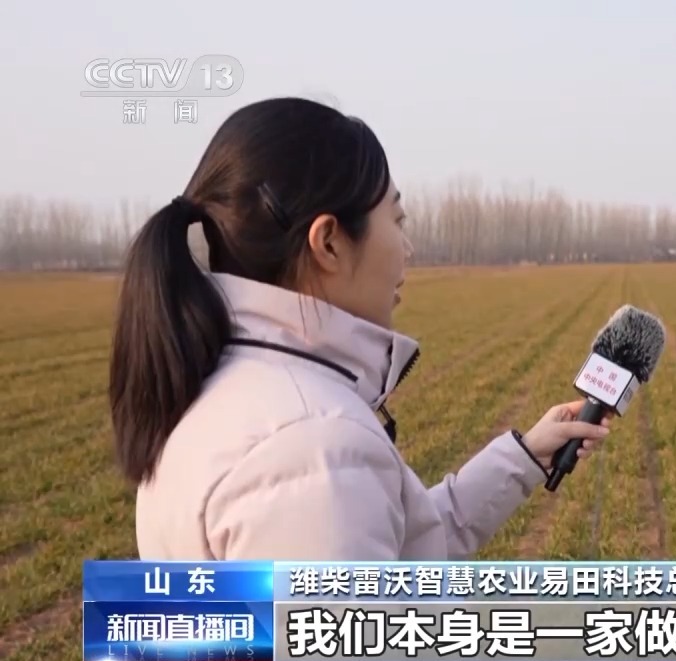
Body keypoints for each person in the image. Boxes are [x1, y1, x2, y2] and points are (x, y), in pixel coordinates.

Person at [109, 97, 611, 560]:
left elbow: (402, 549)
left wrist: (524, 456)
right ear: (329, 242)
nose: (407, 249)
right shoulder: (312, 449)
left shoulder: (229, 390)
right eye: (397, 220)